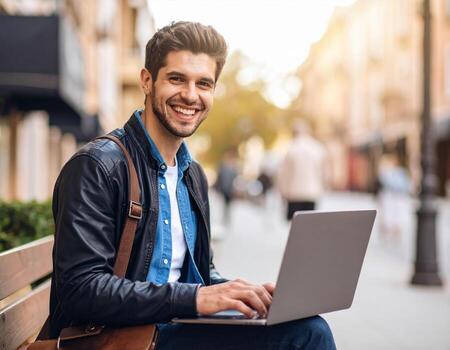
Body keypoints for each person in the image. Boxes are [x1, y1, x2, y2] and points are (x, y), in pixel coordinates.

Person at [49, 21, 335, 349]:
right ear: (147, 80)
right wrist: (196, 298)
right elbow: (80, 291)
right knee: (308, 336)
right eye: (176, 79)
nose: (190, 95)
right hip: (118, 337)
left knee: (307, 326)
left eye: (204, 84)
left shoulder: (193, 176)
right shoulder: (98, 165)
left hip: (170, 330)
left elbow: (197, 276)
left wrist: (246, 295)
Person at [277, 120, 327, 220]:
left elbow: (284, 174)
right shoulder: (317, 148)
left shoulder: (291, 148)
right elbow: (323, 172)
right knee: (309, 223)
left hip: (294, 193)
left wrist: (282, 192)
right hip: (311, 193)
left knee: (295, 224)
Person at [215, 149, 238, 225]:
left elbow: (236, 179)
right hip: (223, 189)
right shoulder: (222, 165)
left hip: (230, 190)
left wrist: (235, 189)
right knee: (224, 204)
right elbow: (219, 177)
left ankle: (227, 218)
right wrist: (218, 188)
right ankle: (224, 218)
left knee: (228, 205)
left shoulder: (235, 166)